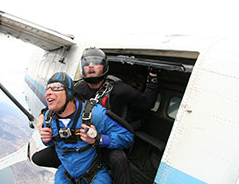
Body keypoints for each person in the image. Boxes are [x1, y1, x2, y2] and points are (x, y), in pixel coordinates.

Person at [33, 47, 159, 184]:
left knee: (118, 159)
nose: (90, 66)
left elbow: (146, 103)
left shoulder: (119, 90)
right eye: (86, 63)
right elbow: (59, 103)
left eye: (96, 62)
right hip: (82, 141)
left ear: (104, 66)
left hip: (107, 139)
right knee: (39, 158)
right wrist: (43, 117)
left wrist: (153, 78)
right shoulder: (77, 89)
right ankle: (74, 168)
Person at [40, 72, 133, 183]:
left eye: (55, 88)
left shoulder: (94, 114)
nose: (48, 93)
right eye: (47, 88)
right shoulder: (49, 118)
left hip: (94, 174)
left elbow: (127, 137)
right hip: (66, 174)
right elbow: (57, 142)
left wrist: (99, 139)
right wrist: (46, 140)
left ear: (69, 93)